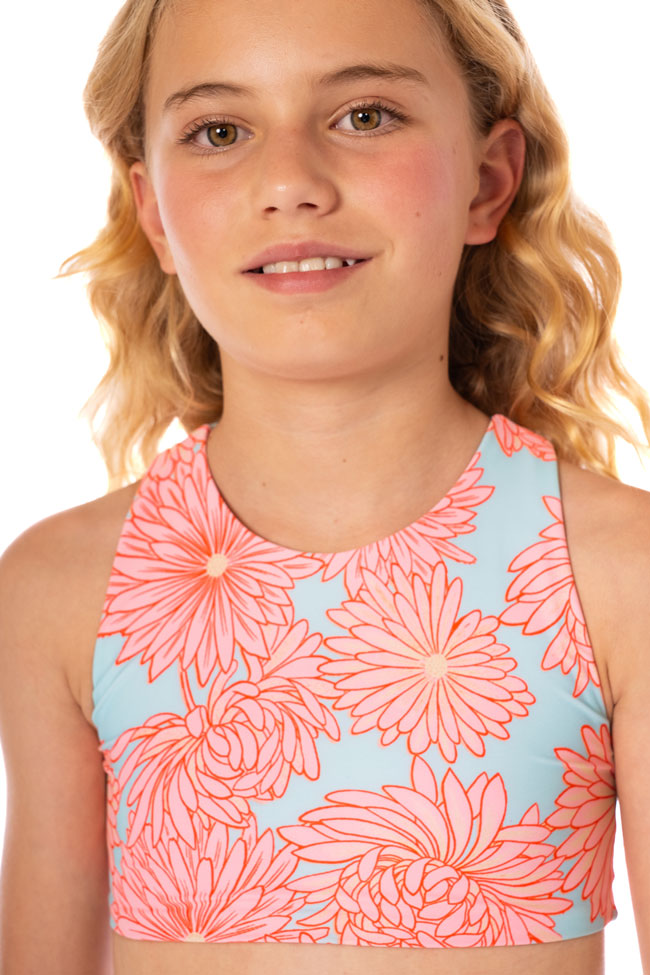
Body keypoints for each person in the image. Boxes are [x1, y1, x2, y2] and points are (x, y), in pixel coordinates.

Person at [1, 0, 649, 972]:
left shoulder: (616, 575)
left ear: (487, 180)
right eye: (220, 132)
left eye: (364, 116)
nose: (290, 183)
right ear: (154, 213)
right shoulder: (62, 590)